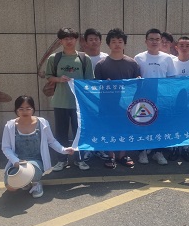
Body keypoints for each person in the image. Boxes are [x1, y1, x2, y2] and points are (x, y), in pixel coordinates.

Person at [1, 95, 74, 198]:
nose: (25, 111)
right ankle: (25, 181)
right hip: (18, 161)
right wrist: (15, 161)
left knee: (30, 171)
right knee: (11, 187)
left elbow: (51, 141)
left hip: (36, 160)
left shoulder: (42, 123)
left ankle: (36, 183)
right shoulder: (10, 126)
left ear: (33, 109)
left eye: (28, 108)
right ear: (16, 110)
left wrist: (64, 150)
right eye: (21, 109)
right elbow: (6, 147)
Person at [45, 27, 94, 171]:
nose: (69, 41)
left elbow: (90, 80)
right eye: (65, 39)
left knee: (80, 132)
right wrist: (59, 79)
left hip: (79, 104)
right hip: (60, 102)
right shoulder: (54, 58)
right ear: (61, 41)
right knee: (61, 133)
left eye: (72, 38)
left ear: (76, 40)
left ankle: (80, 159)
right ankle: (62, 159)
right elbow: (48, 76)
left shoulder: (84, 58)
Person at [94, 28, 141, 168]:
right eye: (113, 41)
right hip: (107, 104)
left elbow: (137, 86)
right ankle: (110, 155)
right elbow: (96, 87)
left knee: (125, 128)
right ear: (108, 44)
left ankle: (122, 155)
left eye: (120, 41)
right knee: (109, 129)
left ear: (124, 44)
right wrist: (105, 85)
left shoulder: (132, 63)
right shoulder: (101, 64)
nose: (117, 44)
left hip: (126, 104)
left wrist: (138, 81)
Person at [134, 28, 177, 165]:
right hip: (143, 98)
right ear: (146, 41)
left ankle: (158, 152)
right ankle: (142, 151)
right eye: (151, 39)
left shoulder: (167, 58)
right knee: (143, 124)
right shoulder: (138, 58)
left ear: (161, 41)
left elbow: (171, 79)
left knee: (160, 125)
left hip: (161, 98)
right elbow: (134, 79)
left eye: (157, 39)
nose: (154, 42)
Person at [81, 28, 110, 162]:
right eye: (90, 39)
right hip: (85, 98)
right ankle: (87, 149)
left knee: (102, 123)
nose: (94, 42)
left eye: (96, 39)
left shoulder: (106, 58)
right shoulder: (80, 58)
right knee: (86, 123)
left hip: (103, 98)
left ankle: (100, 148)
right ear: (85, 42)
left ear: (100, 41)